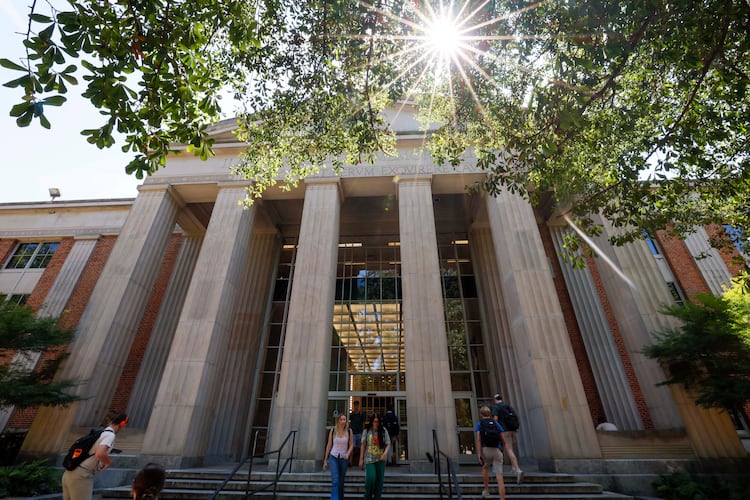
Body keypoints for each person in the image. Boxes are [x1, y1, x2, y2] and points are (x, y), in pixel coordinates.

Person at [62, 413, 128, 500]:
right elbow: (100, 453)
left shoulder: (100, 433)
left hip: (69, 473)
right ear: (122, 424)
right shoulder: (110, 435)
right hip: (82, 475)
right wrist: (108, 463)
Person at [476, 406, 506, 500]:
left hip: (486, 450)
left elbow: (478, 440)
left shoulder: (480, 423)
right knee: (499, 477)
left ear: (481, 414)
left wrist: (479, 454)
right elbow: (503, 439)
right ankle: (502, 498)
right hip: (497, 449)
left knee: (485, 468)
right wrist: (502, 450)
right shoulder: (496, 423)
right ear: (490, 414)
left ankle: (486, 490)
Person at [492, 393, 523, 484]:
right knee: (510, 449)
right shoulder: (507, 406)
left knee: (509, 449)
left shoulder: (496, 407)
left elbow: (495, 419)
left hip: (504, 430)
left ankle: (518, 470)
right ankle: (513, 467)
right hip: (512, 430)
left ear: (495, 399)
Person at [359, 413, 390, 500]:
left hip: (381, 458)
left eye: (377, 421)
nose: (376, 423)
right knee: (371, 477)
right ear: (371, 421)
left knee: (379, 481)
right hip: (369, 458)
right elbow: (363, 445)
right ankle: (368, 495)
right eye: (374, 421)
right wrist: (361, 459)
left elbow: (388, 444)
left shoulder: (383, 431)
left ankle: (377, 497)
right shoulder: (367, 430)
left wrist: (385, 453)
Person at [323, 413, 354, 500]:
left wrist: (348, 453)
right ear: (338, 421)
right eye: (341, 419)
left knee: (341, 481)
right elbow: (329, 445)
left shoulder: (349, 431)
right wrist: (325, 460)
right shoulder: (333, 431)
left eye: (344, 420)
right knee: (335, 480)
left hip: (344, 458)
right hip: (333, 457)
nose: (343, 421)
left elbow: (351, 444)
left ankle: (340, 497)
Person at [349, 401, 364, 467]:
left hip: (359, 433)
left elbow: (363, 423)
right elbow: (349, 423)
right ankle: (350, 461)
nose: (356, 407)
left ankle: (361, 461)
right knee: (352, 447)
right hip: (353, 433)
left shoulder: (361, 414)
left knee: (361, 448)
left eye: (357, 405)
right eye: (355, 405)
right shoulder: (351, 415)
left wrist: (363, 431)